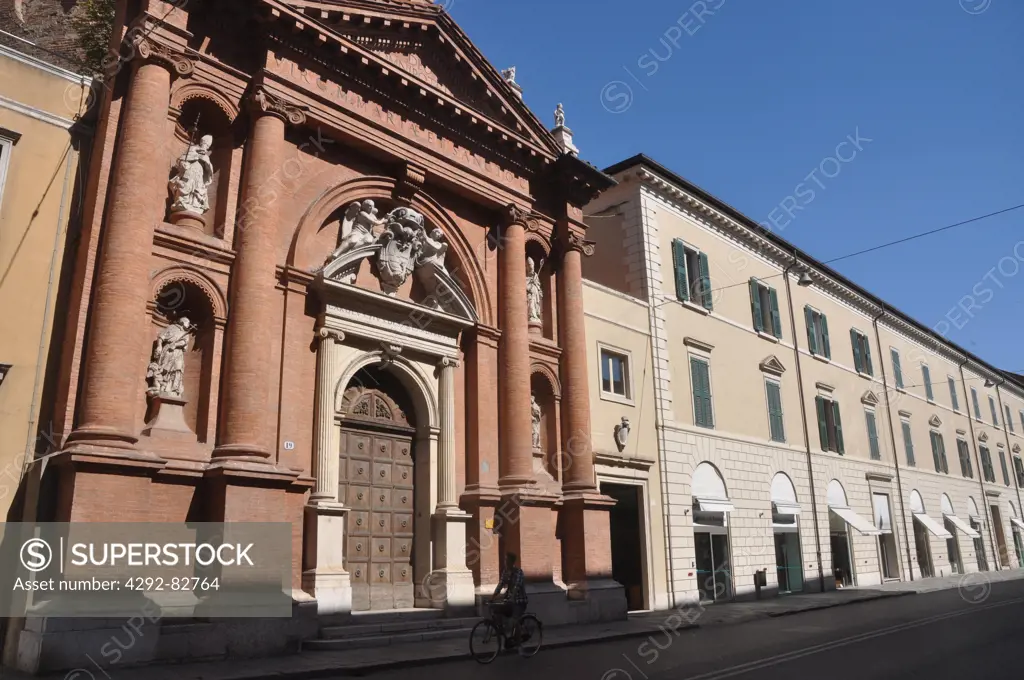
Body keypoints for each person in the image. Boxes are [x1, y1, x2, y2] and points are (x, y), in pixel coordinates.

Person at [491, 552, 528, 642]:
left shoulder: (519, 572)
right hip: (510, 601)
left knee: (515, 620)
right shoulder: (505, 572)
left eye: (507, 560)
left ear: (511, 562)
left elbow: (517, 586)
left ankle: (518, 643)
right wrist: (493, 597)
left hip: (520, 602)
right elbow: (500, 585)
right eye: (505, 560)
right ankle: (500, 629)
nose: (505, 562)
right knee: (496, 611)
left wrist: (512, 597)